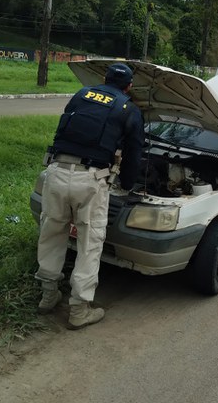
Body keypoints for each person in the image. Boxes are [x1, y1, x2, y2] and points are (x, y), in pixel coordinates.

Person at [35, 62, 144, 329]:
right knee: (89, 243)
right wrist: (128, 184)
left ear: (103, 79)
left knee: (52, 232)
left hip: (56, 172)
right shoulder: (128, 108)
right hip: (90, 179)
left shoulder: (81, 94)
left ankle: (48, 296)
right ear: (129, 87)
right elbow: (134, 153)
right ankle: (79, 309)